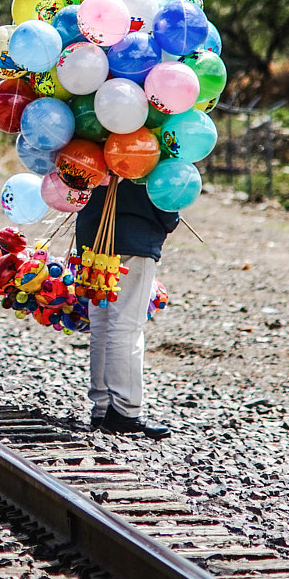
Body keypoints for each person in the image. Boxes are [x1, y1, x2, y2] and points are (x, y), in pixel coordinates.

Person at [76, 179, 177, 438]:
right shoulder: (152, 140)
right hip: (136, 234)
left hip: (93, 236)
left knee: (101, 322)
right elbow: (169, 195)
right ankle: (125, 410)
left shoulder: (95, 137)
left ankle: (102, 406)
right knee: (126, 326)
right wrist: (168, 222)